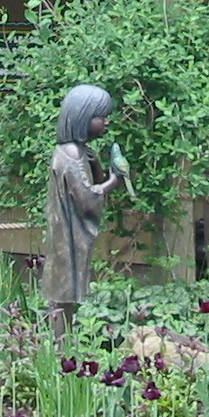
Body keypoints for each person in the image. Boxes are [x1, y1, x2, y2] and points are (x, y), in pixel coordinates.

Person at [44, 84, 123, 331]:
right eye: (101, 117)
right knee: (62, 291)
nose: (106, 122)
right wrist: (114, 182)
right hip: (66, 235)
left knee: (66, 292)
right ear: (82, 117)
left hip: (69, 233)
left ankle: (62, 346)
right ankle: (57, 348)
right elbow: (87, 197)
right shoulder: (69, 153)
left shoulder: (80, 152)